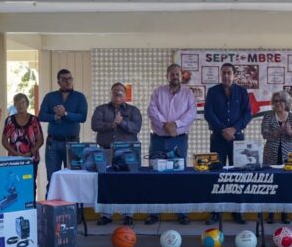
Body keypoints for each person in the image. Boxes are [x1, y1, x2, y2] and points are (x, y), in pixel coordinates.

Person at [145, 64, 197, 225]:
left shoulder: (188, 94)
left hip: (179, 139)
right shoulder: (158, 92)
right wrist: (165, 125)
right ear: (167, 75)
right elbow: (151, 111)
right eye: (172, 74)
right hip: (158, 139)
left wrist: (176, 124)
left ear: (181, 76)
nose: (175, 76)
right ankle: (153, 213)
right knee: (155, 176)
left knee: (179, 176)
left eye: (177, 74)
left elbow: (191, 113)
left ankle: (181, 212)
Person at [204, 62, 252, 225]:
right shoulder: (212, 92)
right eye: (223, 72)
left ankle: (237, 211)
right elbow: (208, 114)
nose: (226, 75)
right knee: (216, 174)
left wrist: (234, 129)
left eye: (229, 73)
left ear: (234, 75)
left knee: (237, 175)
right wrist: (223, 130)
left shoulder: (242, 92)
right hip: (218, 138)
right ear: (221, 74)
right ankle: (215, 211)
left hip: (237, 139)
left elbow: (247, 114)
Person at [91, 82, 142, 226]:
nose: (117, 94)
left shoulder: (133, 110)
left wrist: (122, 122)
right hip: (106, 151)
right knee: (106, 182)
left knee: (128, 183)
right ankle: (106, 214)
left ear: (125, 95)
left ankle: (128, 214)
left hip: (128, 152)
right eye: (115, 92)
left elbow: (136, 128)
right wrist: (112, 124)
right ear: (111, 94)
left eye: (121, 92)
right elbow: (95, 125)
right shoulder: (101, 109)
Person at [39, 69, 88, 196]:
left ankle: (73, 209)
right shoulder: (50, 97)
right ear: (58, 81)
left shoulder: (79, 97)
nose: (68, 81)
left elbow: (83, 117)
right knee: (52, 178)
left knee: (72, 178)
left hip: (72, 143)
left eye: (70, 78)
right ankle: (50, 209)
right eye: (64, 79)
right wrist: (55, 117)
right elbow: (41, 116)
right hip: (53, 143)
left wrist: (65, 114)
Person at [261, 90, 292, 225]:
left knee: (286, 184)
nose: (278, 103)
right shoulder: (268, 116)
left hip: (288, 154)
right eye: (276, 101)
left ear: (287, 102)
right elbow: (264, 134)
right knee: (271, 183)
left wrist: (289, 132)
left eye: (281, 101)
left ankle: (285, 213)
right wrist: (277, 132)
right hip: (270, 154)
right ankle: (271, 213)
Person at [2, 93, 44, 201]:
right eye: (17, 103)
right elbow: (4, 141)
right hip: (14, 159)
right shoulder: (9, 120)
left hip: (31, 159)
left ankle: (31, 208)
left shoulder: (35, 120)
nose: (20, 105)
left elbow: (40, 140)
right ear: (14, 105)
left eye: (23, 102)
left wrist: (30, 153)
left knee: (30, 185)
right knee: (14, 185)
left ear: (27, 104)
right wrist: (15, 153)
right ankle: (17, 209)